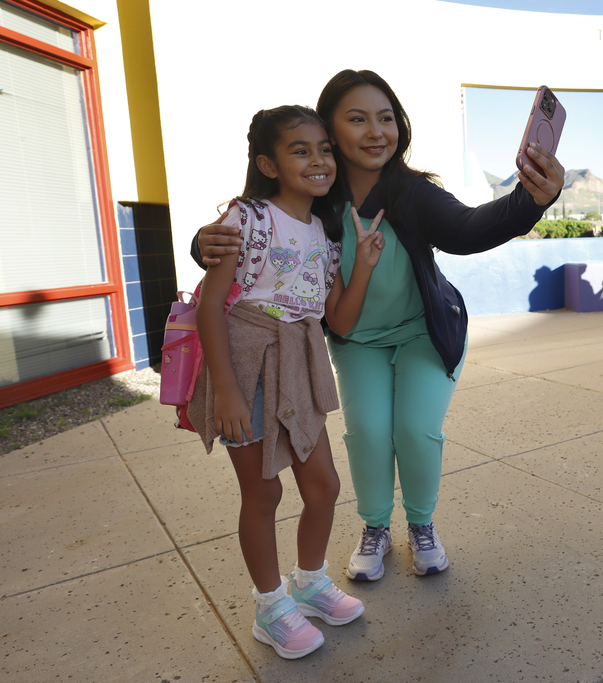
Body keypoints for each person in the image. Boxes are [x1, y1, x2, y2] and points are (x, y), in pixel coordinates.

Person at [193, 70, 564, 583]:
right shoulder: (318, 193)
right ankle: (375, 529)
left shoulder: (412, 193)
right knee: (367, 432)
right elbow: (258, 224)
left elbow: (467, 229)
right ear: (331, 132)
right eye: (357, 119)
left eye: (386, 118)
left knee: (414, 430)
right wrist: (202, 242)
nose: (375, 131)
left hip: (421, 332)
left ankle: (421, 525)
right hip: (354, 337)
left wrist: (532, 200)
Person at [189, 105, 385, 659]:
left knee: (323, 487)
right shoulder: (245, 218)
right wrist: (225, 389)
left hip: (299, 362)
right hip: (246, 362)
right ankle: (271, 606)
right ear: (268, 164)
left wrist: (363, 266)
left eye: (324, 149)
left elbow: (337, 320)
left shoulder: (324, 235)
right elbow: (210, 308)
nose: (319, 159)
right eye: (301, 150)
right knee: (264, 490)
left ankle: (310, 582)